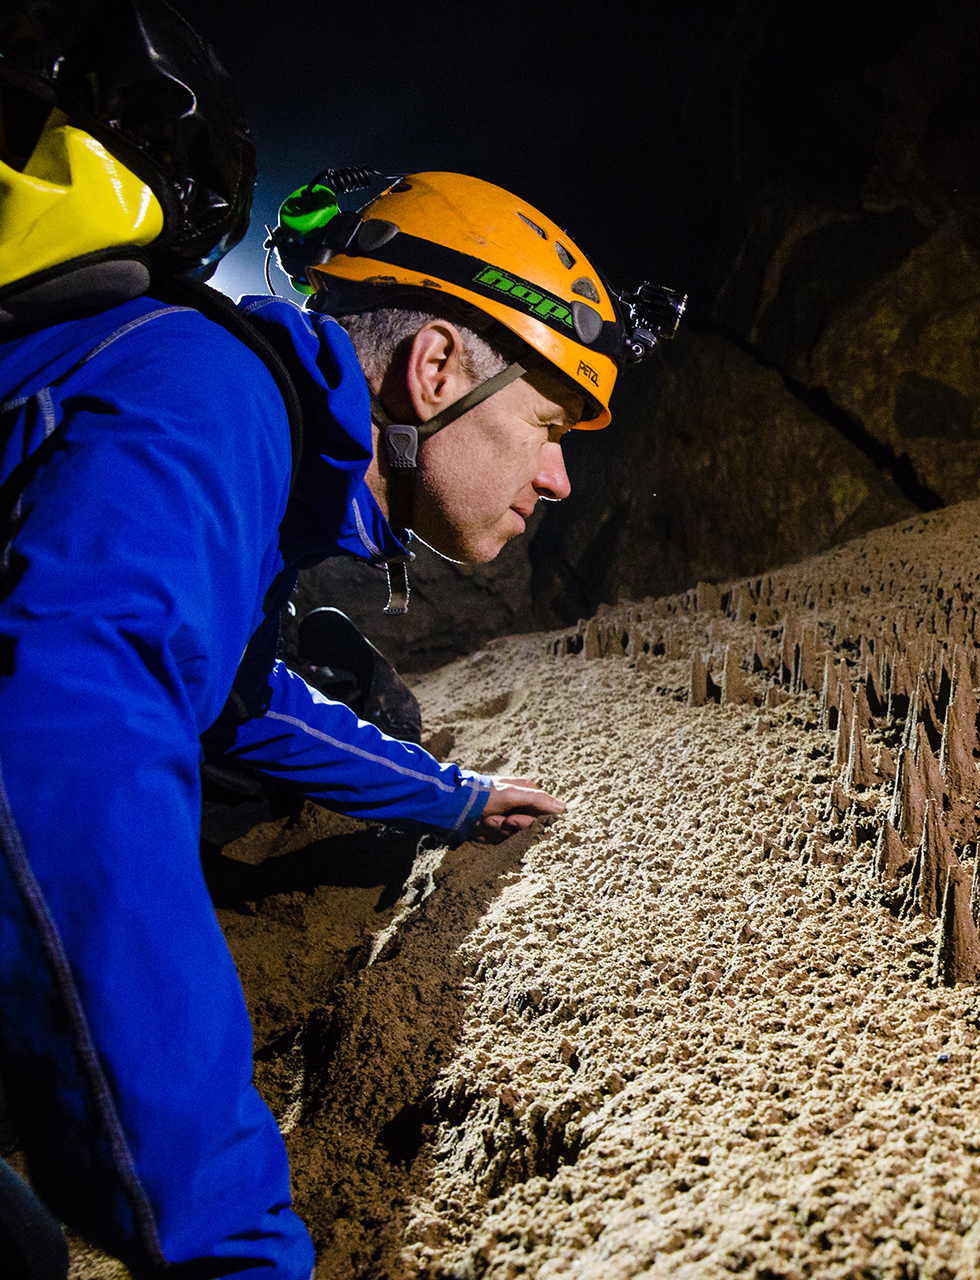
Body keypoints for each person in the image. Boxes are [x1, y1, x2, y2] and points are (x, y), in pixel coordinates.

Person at [0, 1, 677, 1274]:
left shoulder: (244, 444)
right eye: (548, 425)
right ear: (433, 371)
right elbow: (64, 750)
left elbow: (239, 696)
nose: (561, 481)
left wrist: (451, 797)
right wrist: (234, 1239)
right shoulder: (205, 406)